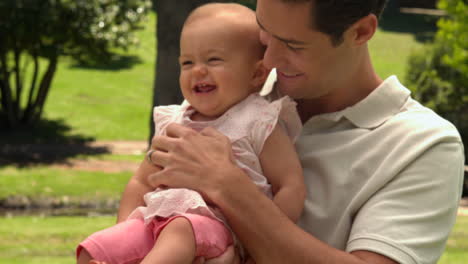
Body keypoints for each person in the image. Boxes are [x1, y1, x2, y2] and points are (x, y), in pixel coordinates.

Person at [145, 0, 466, 263]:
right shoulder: (232, 94)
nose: (268, 59)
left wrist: (229, 188)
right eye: (265, 33)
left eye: (292, 44)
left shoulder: (425, 145)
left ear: (361, 31)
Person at [76, 3, 305, 264]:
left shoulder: (257, 121)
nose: (198, 70)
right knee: (95, 248)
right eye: (187, 62)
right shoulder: (174, 123)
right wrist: (124, 229)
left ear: (256, 74)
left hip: (216, 228)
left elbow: (290, 185)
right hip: (155, 222)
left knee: (180, 230)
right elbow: (141, 181)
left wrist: (263, 243)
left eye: (213, 60)